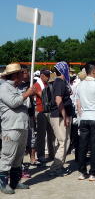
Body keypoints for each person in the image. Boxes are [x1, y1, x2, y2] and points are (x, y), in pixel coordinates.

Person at [0, 63, 35, 194]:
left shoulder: (16, 88)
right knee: (8, 155)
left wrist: (26, 95)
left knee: (18, 157)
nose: (23, 75)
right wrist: (27, 94)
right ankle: (3, 184)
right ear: (15, 75)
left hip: (21, 126)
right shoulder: (4, 88)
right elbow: (14, 103)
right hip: (11, 127)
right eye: (21, 73)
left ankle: (14, 182)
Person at [48, 61, 73, 177]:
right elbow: (58, 100)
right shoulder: (59, 82)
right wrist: (65, 116)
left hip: (62, 115)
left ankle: (59, 166)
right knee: (63, 142)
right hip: (59, 116)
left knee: (64, 141)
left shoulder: (61, 82)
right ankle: (55, 168)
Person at [33, 70, 55, 165]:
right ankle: (41, 155)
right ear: (41, 76)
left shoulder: (46, 84)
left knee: (51, 133)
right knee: (41, 134)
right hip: (40, 110)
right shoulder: (37, 85)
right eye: (46, 76)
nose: (48, 77)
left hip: (47, 110)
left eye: (48, 75)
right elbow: (43, 95)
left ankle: (51, 153)